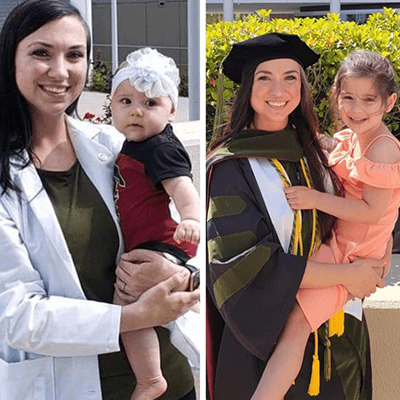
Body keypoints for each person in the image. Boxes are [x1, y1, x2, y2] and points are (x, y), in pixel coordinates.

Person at [0, 1, 199, 400]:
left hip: (173, 383)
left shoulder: (116, 147)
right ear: (11, 60)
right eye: (41, 52)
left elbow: (193, 238)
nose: (60, 71)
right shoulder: (7, 176)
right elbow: (17, 316)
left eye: (75, 55)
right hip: (73, 388)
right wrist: (133, 317)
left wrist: (173, 269)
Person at [206, 33, 387, 400]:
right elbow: (246, 263)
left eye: (290, 77)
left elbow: (370, 213)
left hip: (337, 333)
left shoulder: (319, 150)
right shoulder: (231, 167)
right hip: (263, 342)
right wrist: (349, 275)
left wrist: (375, 261)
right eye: (264, 78)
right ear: (248, 89)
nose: (279, 89)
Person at [250, 49, 400, 400]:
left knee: (296, 326)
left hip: (352, 254)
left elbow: (371, 212)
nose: (356, 109)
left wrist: (315, 200)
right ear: (336, 96)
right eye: (347, 98)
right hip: (343, 245)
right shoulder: (351, 139)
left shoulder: (383, 150)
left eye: (368, 100)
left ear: (389, 102)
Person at [110, 47, 200, 400]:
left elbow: (182, 187)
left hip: (158, 244)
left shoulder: (159, 146)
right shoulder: (128, 143)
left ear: (172, 110)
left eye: (151, 104)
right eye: (126, 101)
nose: (136, 111)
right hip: (147, 243)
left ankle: (150, 379)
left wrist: (191, 218)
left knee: (128, 305)